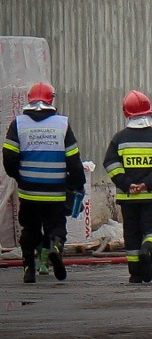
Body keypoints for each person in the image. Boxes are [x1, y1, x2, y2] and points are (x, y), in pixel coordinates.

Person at [2, 82, 86, 283]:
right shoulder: (62, 125)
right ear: (51, 99)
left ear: (29, 99)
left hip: (29, 191)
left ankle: (29, 268)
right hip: (55, 191)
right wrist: (77, 184)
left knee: (30, 229)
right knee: (56, 225)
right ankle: (55, 247)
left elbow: (8, 157)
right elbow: (73, 160)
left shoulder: (19, 124)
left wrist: (20, 177)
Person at [103, 90, 152, 283]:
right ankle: (148, 251)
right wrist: (147, 184)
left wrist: (127, 184)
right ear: (149, 112)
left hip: (128, 198)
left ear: (126, 113)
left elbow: (110, 164)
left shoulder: (119, 138)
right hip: (151, 196)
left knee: (131, 233)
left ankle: (135, 273)